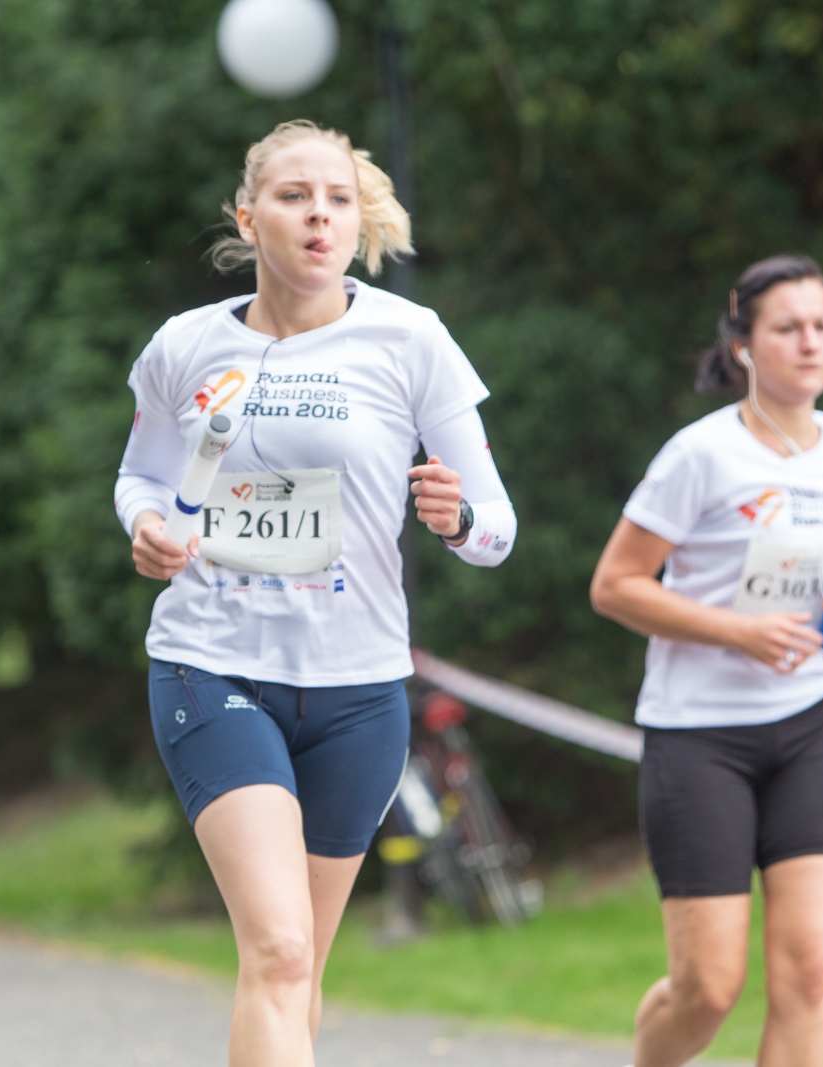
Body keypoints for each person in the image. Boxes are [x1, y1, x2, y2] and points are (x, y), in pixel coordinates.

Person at [116, 119, 515, 1067]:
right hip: (212, 665)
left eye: (337, 198)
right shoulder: (183, 346)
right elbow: (140, 477)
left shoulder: (410, 339)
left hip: (357, 689)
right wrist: (145, 525)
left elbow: (498, 529)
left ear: (358, 216)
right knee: (280, 947)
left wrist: (457, 518)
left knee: (300, 969)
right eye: (295, 196)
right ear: (249, 217)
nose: (319, 215)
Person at [590, 255, 823, 1067]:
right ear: (745, 344)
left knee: (808, 975)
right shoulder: (700, 454)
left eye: (821, 326)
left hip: (808, 732)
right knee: (709, 987)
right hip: (700, 738)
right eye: (787, 328)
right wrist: (737, 631)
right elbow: (615, 585)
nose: (809, 343)